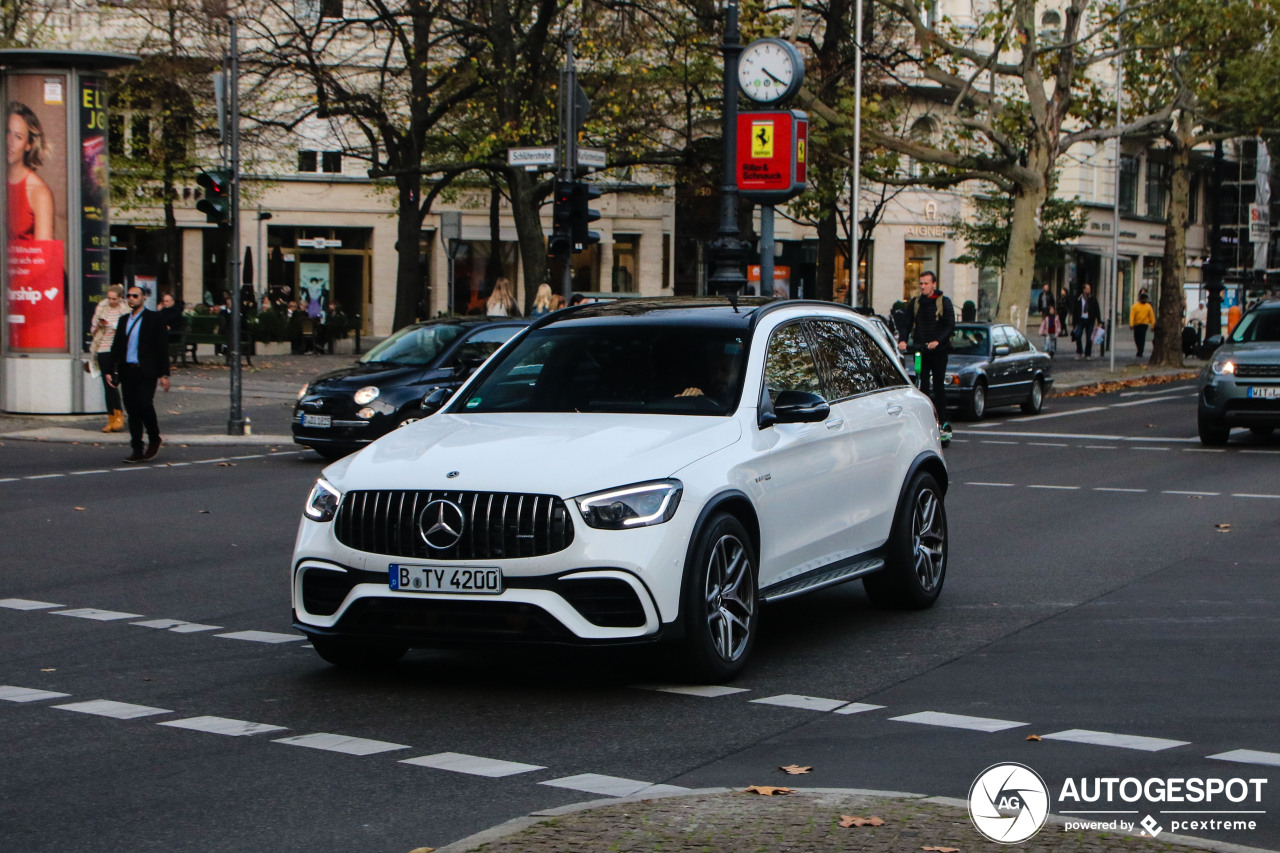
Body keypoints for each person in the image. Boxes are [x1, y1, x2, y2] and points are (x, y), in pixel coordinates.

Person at [107, 286, 171, 463]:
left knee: (144, 404)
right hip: (128, 371)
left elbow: (162, 347)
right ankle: (136, 447)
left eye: (135, 296)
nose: (131, 298)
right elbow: (117, 347)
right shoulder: (123, 320)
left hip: (147, 370)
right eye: (128, 296)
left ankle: (154, 437)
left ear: (143, 298)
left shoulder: (154, 318)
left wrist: (164, 374)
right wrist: (109, 370)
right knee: (132, 410)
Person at [897, 271, 955, 440]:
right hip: (920, 351)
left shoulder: (943, 302)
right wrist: (902, 339)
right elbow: (906, 324)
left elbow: (950, 325)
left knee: (938, 386)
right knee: (922, 385)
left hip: (938, 352)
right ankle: (925, 420)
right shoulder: (915, 303)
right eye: (921, 283)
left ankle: (943, 421)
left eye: (926, 283)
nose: (923, 286)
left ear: (934, 284)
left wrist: (938, 340)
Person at [6, 101, 54, 241]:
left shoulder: (39, 192)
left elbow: (44, 255)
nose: (10, 142)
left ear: (28, 144)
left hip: (25, 262)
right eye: (7, 132)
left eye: (18, 137)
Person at [90, 285, 129, 432]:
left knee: (114, 383)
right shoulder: (102, 308)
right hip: (102, 348)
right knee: (106, 385)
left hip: (117, 349)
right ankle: (111, 417)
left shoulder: (124, 310)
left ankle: (119, 416)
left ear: (120, 298)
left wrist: (115, 326)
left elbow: (127, 328)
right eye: (109, 298)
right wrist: (99, 325)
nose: (111, 301)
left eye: (114, 298)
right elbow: (93, 328)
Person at [1071, 283, 1101, 358]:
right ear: (1084, 290)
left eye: (1089, 288)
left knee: (1089, 337)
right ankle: (1079, 351)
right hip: (1080, 319)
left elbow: (1097, 309)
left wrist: (1099, 320)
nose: (1089, 290)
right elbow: (1075, 311)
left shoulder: (1092, 299)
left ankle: (1088, 353)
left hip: (1090, 319)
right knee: (1077, 335)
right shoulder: (1079, 298)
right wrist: (1074, 323)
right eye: (1087, 288)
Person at [1129, 290, 1155, 358]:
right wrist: (1131, 324)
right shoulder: (1135, 306)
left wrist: (1153, 325)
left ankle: (1140, 351)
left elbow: (1152, 316)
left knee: (1142, 337)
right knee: (1136, 337)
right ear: (1140, 299)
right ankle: (1139, 348)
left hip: (1144, 324)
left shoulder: (1148, 306)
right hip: (1136, 324)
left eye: (1145, 299)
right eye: (1143, 298)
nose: (1144, 300)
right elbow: (1132, 316)